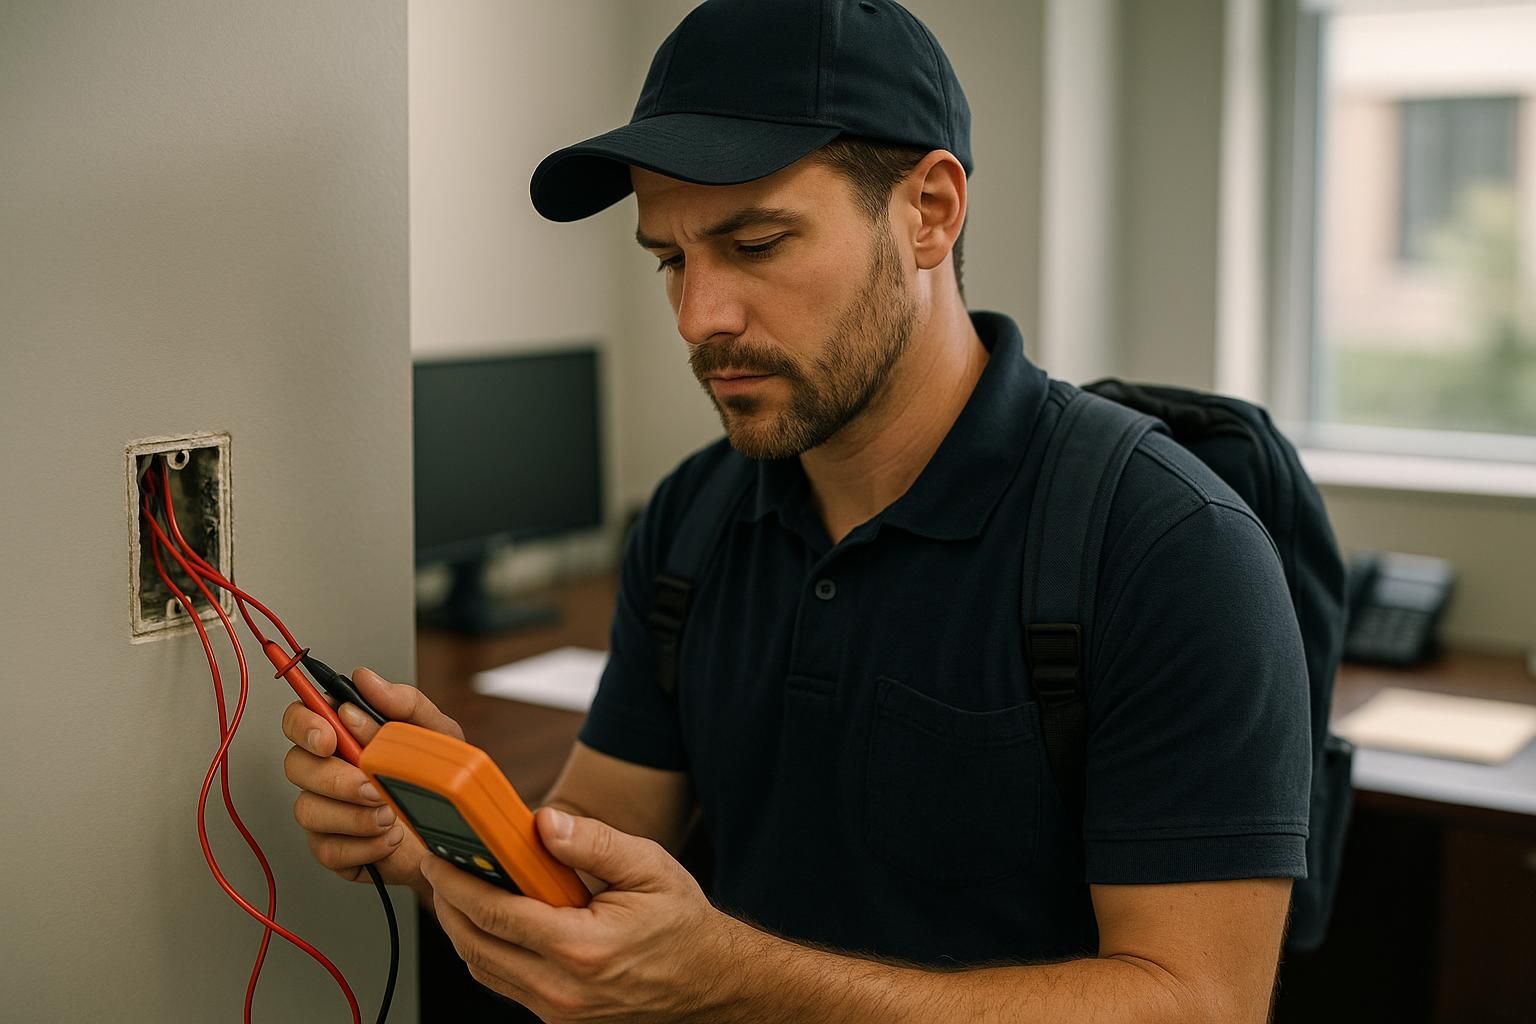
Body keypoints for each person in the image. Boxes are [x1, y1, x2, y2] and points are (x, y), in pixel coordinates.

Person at [282, 1, 1311, 1020]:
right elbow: (597, 841)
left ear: (930, 212)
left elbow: (1201, 1001)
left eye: (758, 243)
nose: (699, 317)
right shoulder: (692, 519)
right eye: (671, 260)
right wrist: (457, 837)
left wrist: (730, 976)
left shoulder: (1168, 548)